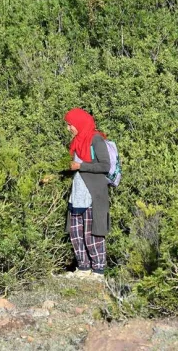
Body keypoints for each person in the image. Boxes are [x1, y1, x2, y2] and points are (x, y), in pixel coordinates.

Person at [64, 108, 111, 281]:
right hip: (77, 194)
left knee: (92, 233)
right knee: (76, 232)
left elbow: (105, 166)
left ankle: (98, 271)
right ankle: (83, 267)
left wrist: (81, 166)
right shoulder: (77, 141)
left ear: (79, 123)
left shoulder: (96, 139)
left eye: (70, 125)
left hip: (93, 194)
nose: (69, 128)